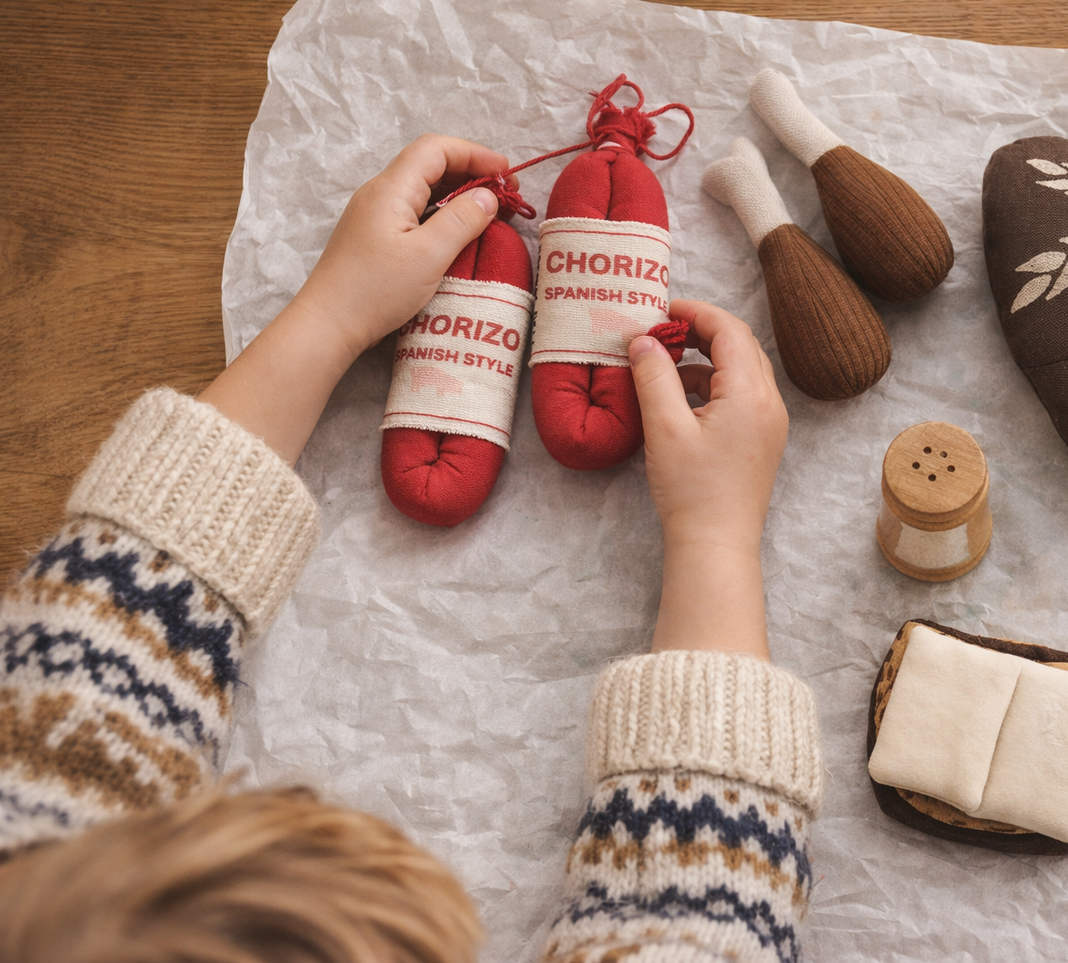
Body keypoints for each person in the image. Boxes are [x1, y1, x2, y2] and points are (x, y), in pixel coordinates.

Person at [0, 134, 821, 963]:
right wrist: (714, 532)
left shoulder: (39, 887)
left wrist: (334, 312)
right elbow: (701, 907)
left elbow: (97, 652)